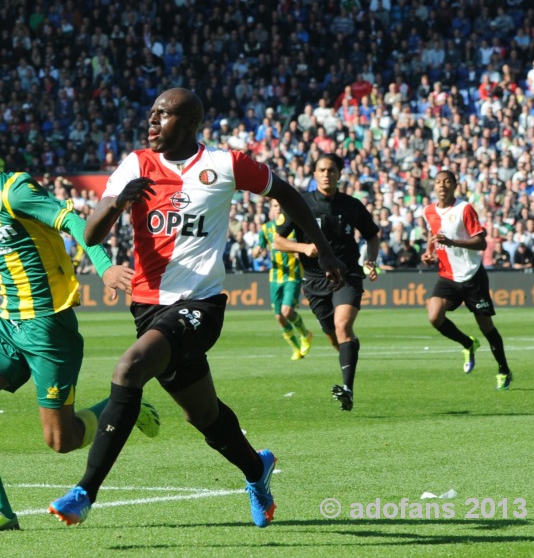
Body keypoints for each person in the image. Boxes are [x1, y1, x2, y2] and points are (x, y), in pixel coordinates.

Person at [48, 88, 343, 528]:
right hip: (148, 308)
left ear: (188, 123)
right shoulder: (135, 165)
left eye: (162, 116)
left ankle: (84, 492)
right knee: (202, 415)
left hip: (201, 306)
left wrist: (324, 249)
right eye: (150, 115)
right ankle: (256, 469)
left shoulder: (225, 164)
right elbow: (90, 236)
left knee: (129, 368)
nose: (151, 123)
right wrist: (118, 202)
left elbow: (288, 194)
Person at [0, 120, 160, 533]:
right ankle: (0, 511)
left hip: (49, 326)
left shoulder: (15, 190)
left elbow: (71, 222)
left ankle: (124, 407)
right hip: (8, 325)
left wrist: (102, 267)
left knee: (60, 441)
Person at [272, 154, 380, 411]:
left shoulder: (352, 205)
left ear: (340, 173)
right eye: (321, 170)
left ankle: (348, 389)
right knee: (334, 336)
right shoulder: (301, 203)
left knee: (343, 326)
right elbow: (277, 241)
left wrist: (371, 260)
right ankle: (347, 353)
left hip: (347, 275)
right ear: (314, 173)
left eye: (331, 170)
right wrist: (303, 247)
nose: (326, 174)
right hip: (314, 280)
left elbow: (372, 236)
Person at [421, 170, 512, 390]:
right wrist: (428, 252)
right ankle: (468, 344)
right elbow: (432, 235)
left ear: (454, 185)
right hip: (447, 276)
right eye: (438, 182)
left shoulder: (464, 209)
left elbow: (481, 243)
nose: (442, 185)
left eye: (446, 181)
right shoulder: (428, 211)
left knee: (486, 326)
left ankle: (503, 370)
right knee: (434, 316)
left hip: (472, 275)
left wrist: (452, 242)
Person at [253, 199, 313, 360]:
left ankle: (305, 334)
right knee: (279, 316)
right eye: (275, 206)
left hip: (293, 275)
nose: (278, 209)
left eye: (281, 205)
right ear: (271, 210)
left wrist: (298, 253)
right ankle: (295, 349)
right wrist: (257, 252)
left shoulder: (294, 227)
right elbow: (257, 249)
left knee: (287, 311)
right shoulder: (265, 229)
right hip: (275, 277)